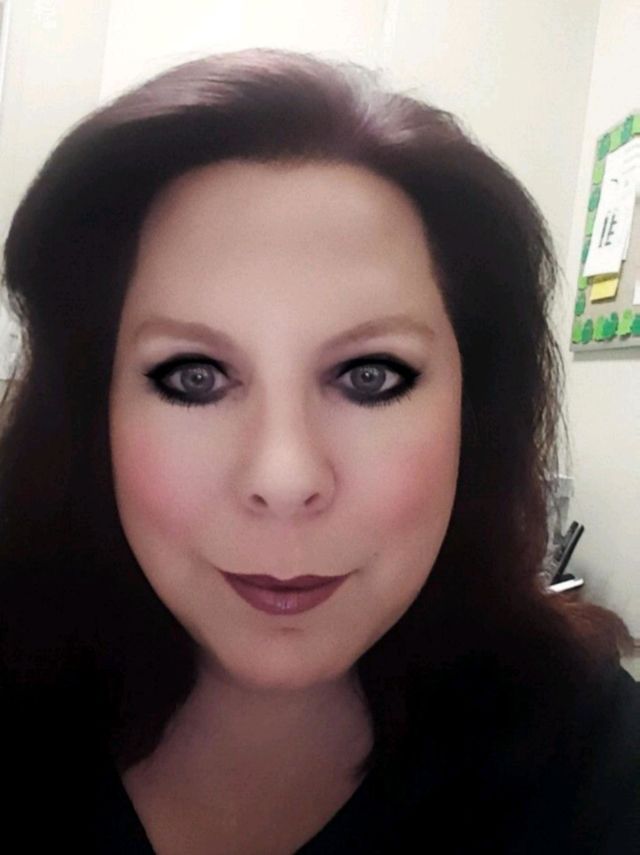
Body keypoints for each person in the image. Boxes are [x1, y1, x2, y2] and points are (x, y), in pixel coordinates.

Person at [0, 47, 637, 854]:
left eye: (370, 376)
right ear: (94, 414)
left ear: (473, 413)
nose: (285, 477)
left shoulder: (587, 758)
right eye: (194, 376)